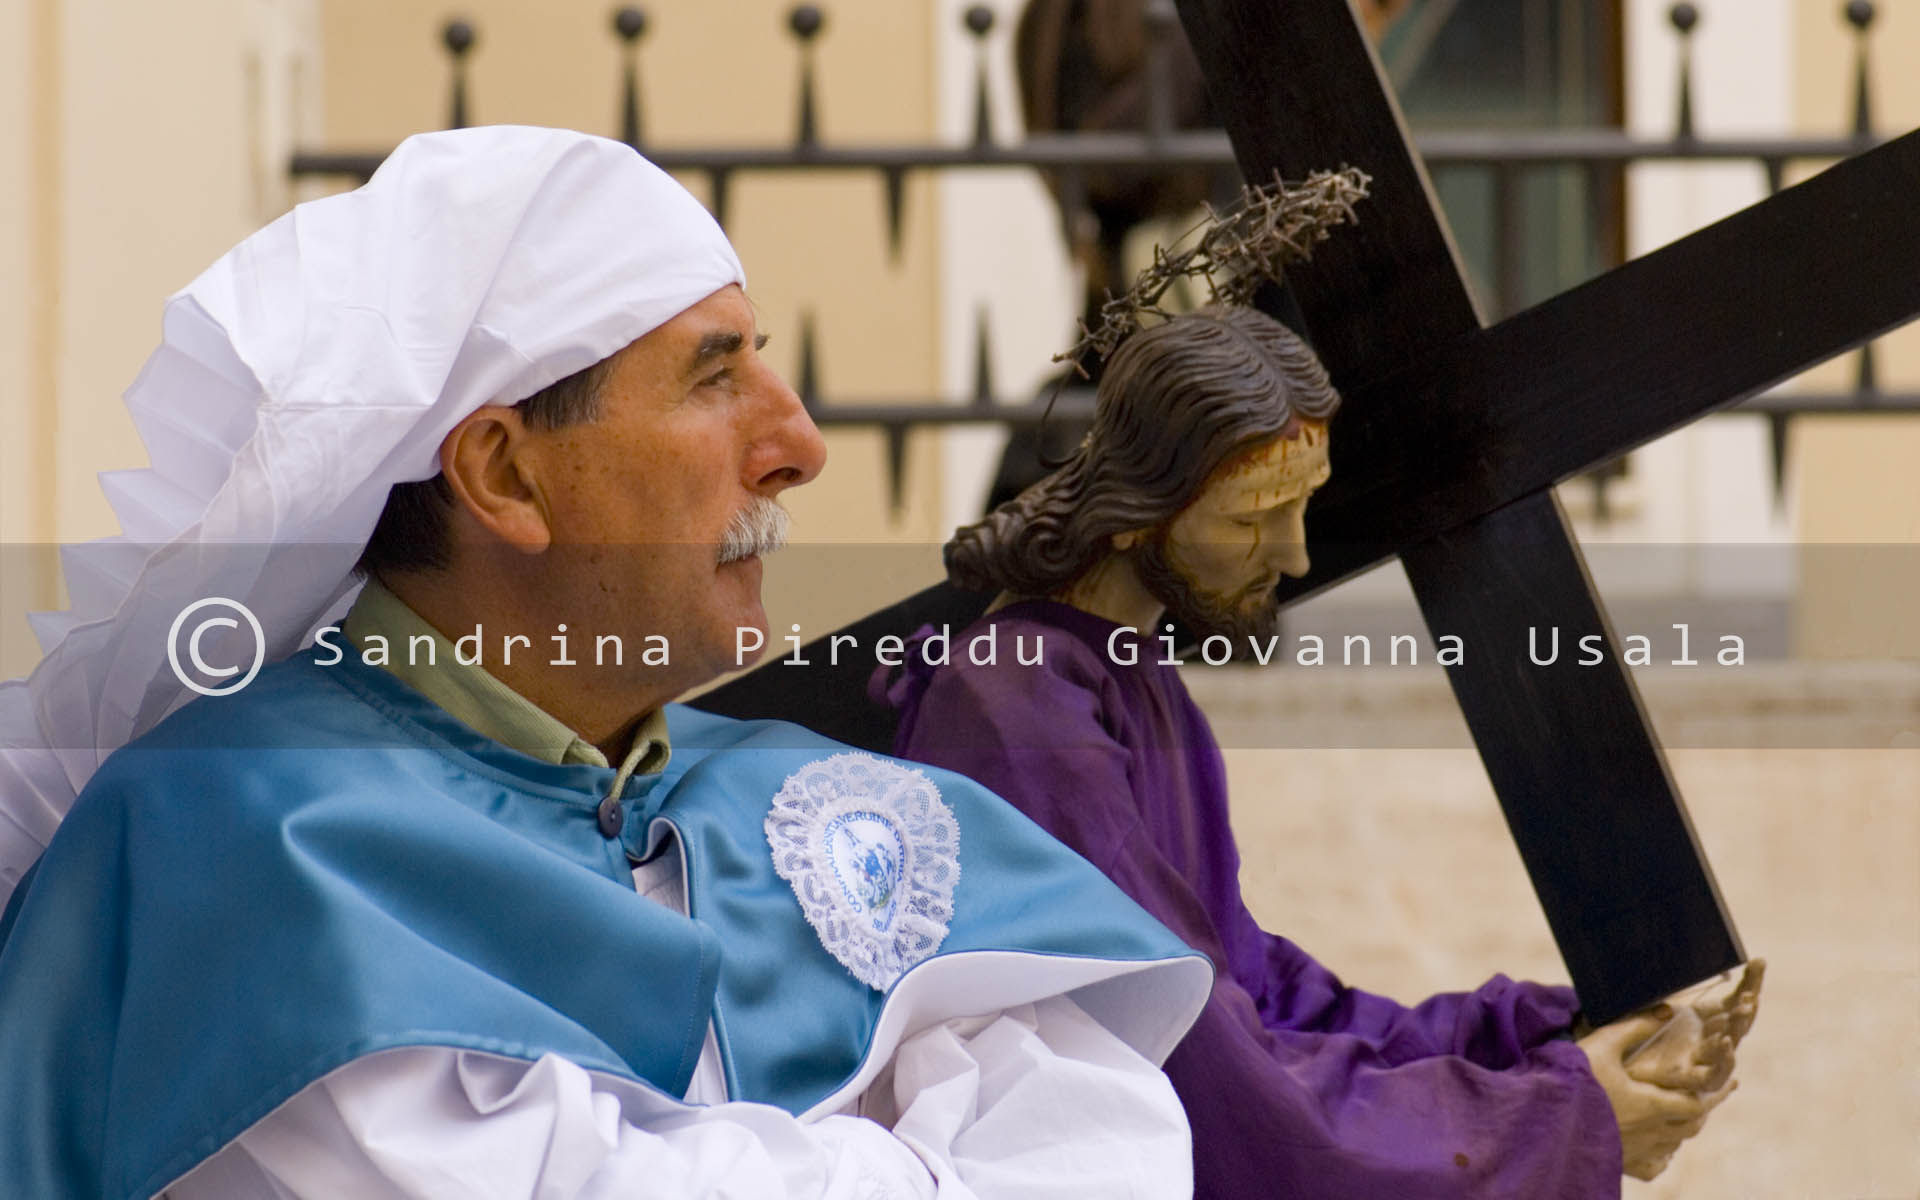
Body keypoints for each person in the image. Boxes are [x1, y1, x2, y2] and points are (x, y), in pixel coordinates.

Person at [0, 126, 1215, 1198]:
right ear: (504, 475)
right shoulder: (237, 832)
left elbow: (1108, 1138)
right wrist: (911, 1154)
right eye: (715, 377)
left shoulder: (805, 800)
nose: (796, 443)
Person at [877, 305, 1763, 1199]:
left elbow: (1262, 993)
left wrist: (1546, 1044)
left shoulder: (1130, 680)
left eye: (1304, 505)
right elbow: (1207, 1076)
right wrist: (1568, 1117)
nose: (1296, 554)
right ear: (1138, 509)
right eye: (1255, 517)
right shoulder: (1020, 706)